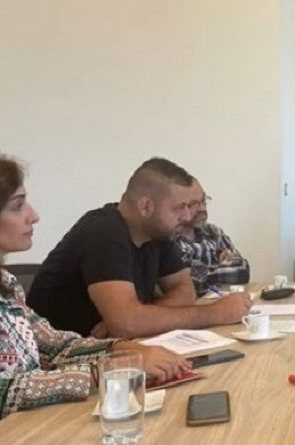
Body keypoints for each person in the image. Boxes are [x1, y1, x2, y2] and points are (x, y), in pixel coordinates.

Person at [0, 155, 189, 419]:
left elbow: (56, 346)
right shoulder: (103, 230)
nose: (33, 216)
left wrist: (123, 350)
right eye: (18, 206)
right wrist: (104, 372)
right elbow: (5, 390)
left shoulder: (8, 285)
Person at [27, 158, 252, 338]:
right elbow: (128, 324)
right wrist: (215, 313)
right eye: (179, 207)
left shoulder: (158, 233)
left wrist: (139, 318)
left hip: (114, 351)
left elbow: (185, 292)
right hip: (61, 363)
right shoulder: (104, 231)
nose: (186, 216)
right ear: (145, 206)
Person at [175, 177, 250, 296]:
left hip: (223, 302)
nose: (202, 208)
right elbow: (191, 283)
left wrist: (205, 272)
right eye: (193, 204)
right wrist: (224, 267)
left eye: (203, 200)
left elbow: (242, 270)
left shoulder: (212, 232)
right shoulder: (170, 241)